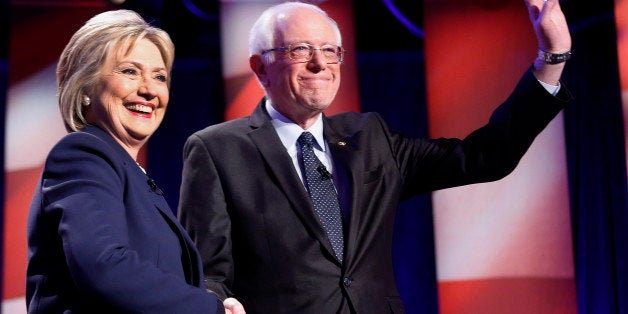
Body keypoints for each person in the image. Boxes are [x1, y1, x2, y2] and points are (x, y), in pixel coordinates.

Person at [177, 0, 572, 313]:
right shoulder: (217, 149)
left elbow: (485, 157)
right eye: (301, 50)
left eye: (331, 51)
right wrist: (216, 303)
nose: (320, 64)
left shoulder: (369, 138)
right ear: (260, 67)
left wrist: (551, 58)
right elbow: (206, 270)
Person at [25, 9, 245, 314]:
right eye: (130, 71)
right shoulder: (82, 154)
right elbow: (105, 267)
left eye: (160, 77)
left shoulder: (132, 174)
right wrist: (210, 309)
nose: (149, 90)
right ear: (86, 86)